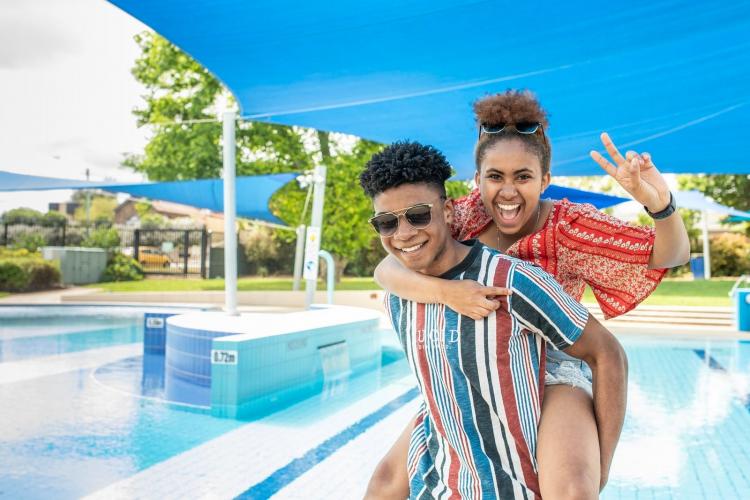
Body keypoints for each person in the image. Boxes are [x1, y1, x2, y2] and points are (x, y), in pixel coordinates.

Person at [366, 91, 690, 499]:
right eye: (495, 176)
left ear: (544, 180)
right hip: (480, 369)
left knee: (572, 488)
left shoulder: (570, 226)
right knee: (386, 483)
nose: (507, 192)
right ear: (478, 179)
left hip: (554, 366)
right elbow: (387, 268)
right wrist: (448, 292)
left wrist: (660, 206)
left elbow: (672, 255)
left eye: (523, 176)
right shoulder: (462, 214)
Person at [359, 141, 627, 499]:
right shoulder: (399, 300)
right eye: (386, 222)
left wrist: (602, 467)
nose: (404, 233)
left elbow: (608, 353)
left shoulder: (512, 281)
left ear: (450, 212)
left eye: (418, 215)